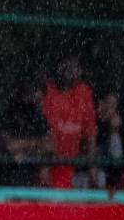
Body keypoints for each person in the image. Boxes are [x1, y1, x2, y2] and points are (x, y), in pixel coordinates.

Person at [41, 57, 96, 189]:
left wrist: (92, 171)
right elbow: (44, 135)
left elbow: (90, 135)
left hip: (76, 170)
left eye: (74, 64)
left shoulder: (83, 92)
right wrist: (44, 167)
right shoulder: (47, 92)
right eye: (65, 62)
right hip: (50, 169)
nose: (69, 68)